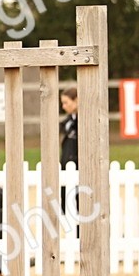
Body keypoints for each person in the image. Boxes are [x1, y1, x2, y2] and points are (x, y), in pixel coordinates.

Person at [59, 86, 79, 221]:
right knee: (66, 202)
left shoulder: (83, 122)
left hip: (78, 166)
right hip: (66, 165)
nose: (64, 106)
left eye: (66, 103)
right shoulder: (67, 123)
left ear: (76, 100)